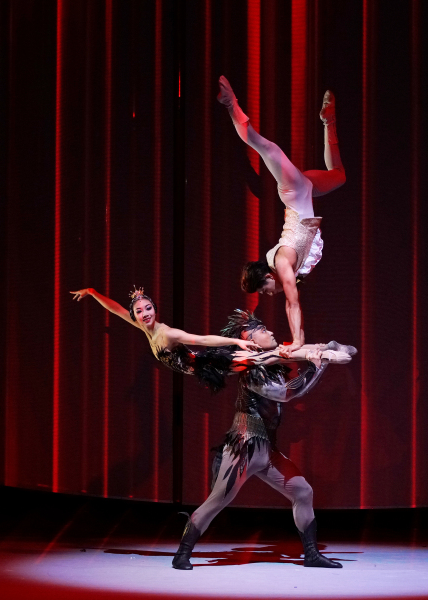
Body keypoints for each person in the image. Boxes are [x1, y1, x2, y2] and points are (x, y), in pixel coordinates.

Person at [171, 309, 355, 570]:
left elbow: (321, 352)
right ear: (252, 342)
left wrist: (329, 349)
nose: (270, 331)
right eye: (262, 330)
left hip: (266, 449)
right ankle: (181, 554)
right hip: (244, 447)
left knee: (303, 492)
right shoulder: (252, 372)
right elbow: (285, 393)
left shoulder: (273, 360)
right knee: (216, 502)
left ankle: (312, 554)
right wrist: (317, 366)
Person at [218, 76, 346, 357]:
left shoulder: (281, 263)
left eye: (264, 290)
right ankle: (328, 120)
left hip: (294, 190)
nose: (268, 294)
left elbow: (292, 302)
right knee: (339, 176)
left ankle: (230, 103)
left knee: (264, 146)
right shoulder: (285, 265)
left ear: (267, 276)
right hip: (304, 191)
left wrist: (298, 340)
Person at [70, 287, 350, 391]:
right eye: (140, 311)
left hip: (213, 362)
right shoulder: (146, 328)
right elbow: (117, 309)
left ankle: (325, 353)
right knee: (266, 358)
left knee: (267, 357)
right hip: (206, 365)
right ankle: (324, 348)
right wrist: (93, 293)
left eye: (148, 308)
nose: (145, 313)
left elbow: (202, 340)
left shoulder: (166, 333)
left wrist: (236, 343)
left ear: (155, 308)